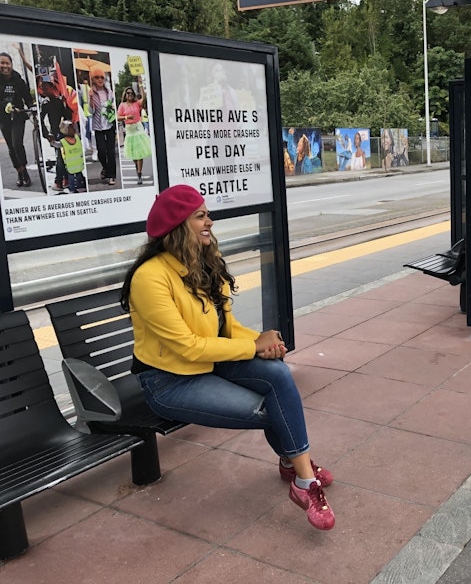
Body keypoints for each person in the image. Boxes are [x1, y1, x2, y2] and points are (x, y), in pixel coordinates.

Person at [120, 185, 335, 530]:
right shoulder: (150, 277)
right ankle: (300, 470)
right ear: (178, 225)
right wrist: (253, 347)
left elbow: (226, 326)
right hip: (169, 381)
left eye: (207, 214)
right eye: (200, 216)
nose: (210, 222)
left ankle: (300, 474)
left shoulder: (205, 264)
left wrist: (264, 343)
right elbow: (188, 346)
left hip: (210, 364)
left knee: (278, 374)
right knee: (273, 408)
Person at [0, 51, 34, 187]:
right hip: (3, 118)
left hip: (18, 117)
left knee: (17, 144)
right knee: (10, 147)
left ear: (11, 64)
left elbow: (27, 98)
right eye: (1, 63)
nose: (4, 66)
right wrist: (6, 106)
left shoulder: (19, 80)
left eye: (7, 63)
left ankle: (25, 171)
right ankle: (19, 172)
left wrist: (32, 107)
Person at [38, 78, 73, 192]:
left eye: (46, 89)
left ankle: (61, 181)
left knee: (62, 158)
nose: (44, 91)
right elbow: (41, 120)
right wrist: (46, 134)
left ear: (52, 87)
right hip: (54, 134)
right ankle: (63, 179)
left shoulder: (59, 100)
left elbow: (67, 116)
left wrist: (65, 104)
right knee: (60, 157)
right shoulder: (45, 103)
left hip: (63, 131)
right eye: (43, 89)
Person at [117, 81, 152, 184]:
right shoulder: (122, 105)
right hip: (129, 130)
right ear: (125, 95)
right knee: (133, 155)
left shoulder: (136, 104)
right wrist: (126, 117)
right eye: (128, 93)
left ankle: (139, 174)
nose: (130, 95)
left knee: (139, 154)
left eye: (132, 93)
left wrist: (141, 85)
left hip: (138, 128)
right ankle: (137, 168)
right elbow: (118, 117)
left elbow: (144, 98)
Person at [88, 66, 117, 186]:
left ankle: (112, 176)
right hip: (98, 126)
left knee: (111, 152)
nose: (100, 79)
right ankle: (106, 168)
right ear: (93, 79)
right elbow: (91, 112)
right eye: (97, 77)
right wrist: (90, 99)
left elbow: (112, 105)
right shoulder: (91, 92)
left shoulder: (109, 92)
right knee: (101, 152)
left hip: (109, 125)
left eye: (102, 77)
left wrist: (112, 108)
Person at [58, 119, 86, 193]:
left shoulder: (63, 141)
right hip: (78, 165)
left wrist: (51, 140)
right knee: (77, 176)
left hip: (71, 166)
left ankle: (73, 189)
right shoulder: (77, 137)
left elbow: (55, 144)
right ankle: (78, 187)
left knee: (73, 178)